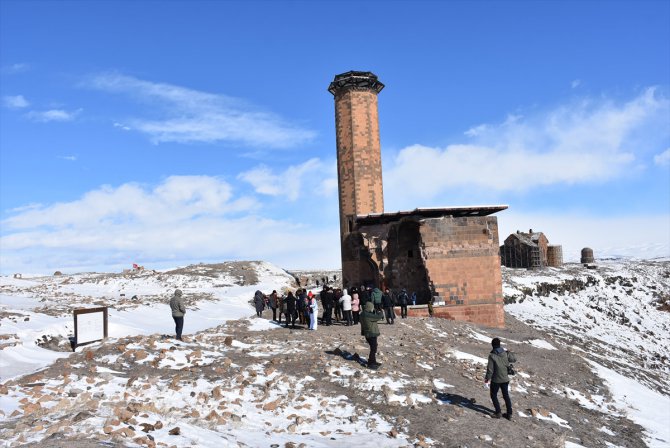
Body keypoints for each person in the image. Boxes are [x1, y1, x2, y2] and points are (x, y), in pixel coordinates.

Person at [484, 337, 515, 420]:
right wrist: (509, 352)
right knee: (506, 396)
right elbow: (514, 359)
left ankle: (498, 413)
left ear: (492, 345)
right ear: (499, 345)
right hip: (505, 379)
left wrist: (487, 379)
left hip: (496, 380)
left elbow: (490, 369)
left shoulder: (492, 355)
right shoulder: (505, 353)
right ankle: (509, 414)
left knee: (493, 395)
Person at [360, 301, 383, 369]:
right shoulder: (367, 315)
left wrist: (374, 312)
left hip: (367, 333)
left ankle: (373, 361)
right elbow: (378, 317)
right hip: (371, 333)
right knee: (373, 348)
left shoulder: (363, 313)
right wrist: (380, 312)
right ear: (369, 307)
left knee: (374, 347)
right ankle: (371, 363)